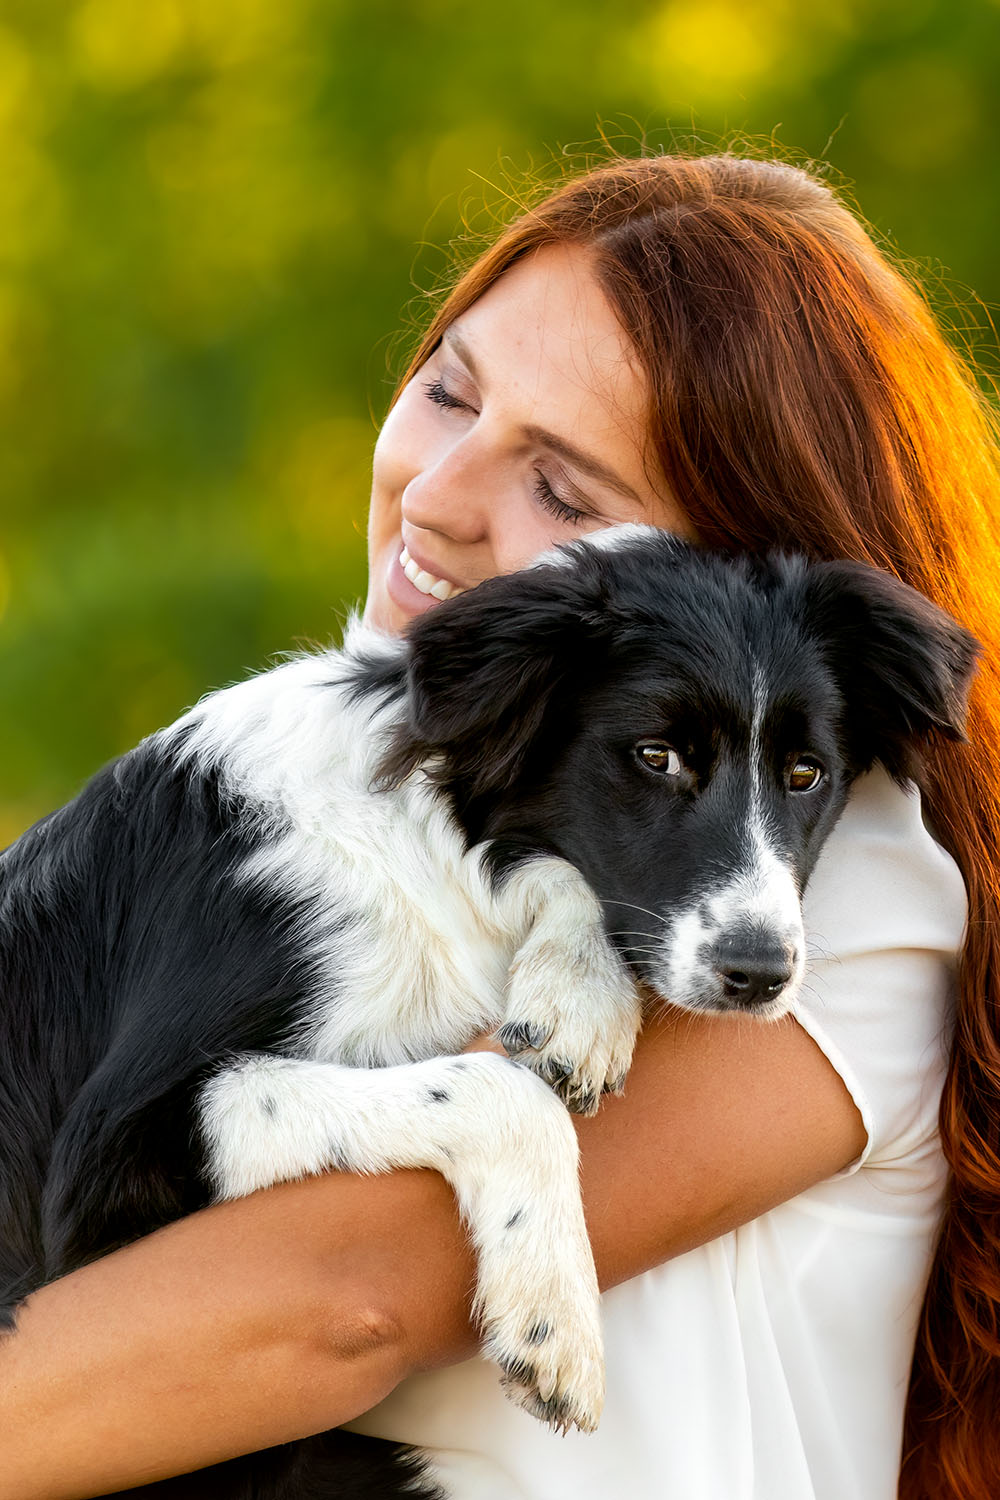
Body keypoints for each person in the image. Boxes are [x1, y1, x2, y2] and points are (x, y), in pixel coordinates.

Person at [3, 152, 999, 1500]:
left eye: (566, 493)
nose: (435, 495)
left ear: (733, 574)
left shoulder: (830, 888)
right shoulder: (391, 821)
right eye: (448, 393)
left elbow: (335, 1300)